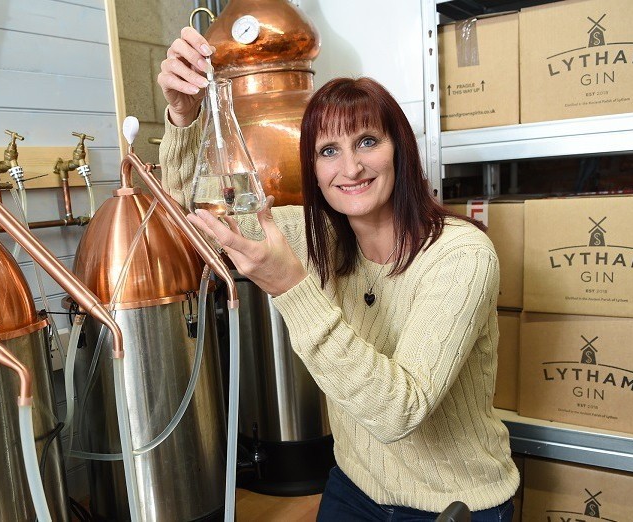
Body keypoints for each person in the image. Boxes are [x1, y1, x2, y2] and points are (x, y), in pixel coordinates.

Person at [156, 27, 519, 521]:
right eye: (328, 150)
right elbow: (196, 221)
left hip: (453, 504)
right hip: (353, 485)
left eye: (367, 141)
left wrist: (290, 288)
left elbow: (400, 412)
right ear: (313, 168)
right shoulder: (314, 237)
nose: (350, 167)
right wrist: (184, 115)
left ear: (400, 150)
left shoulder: (461, 256)